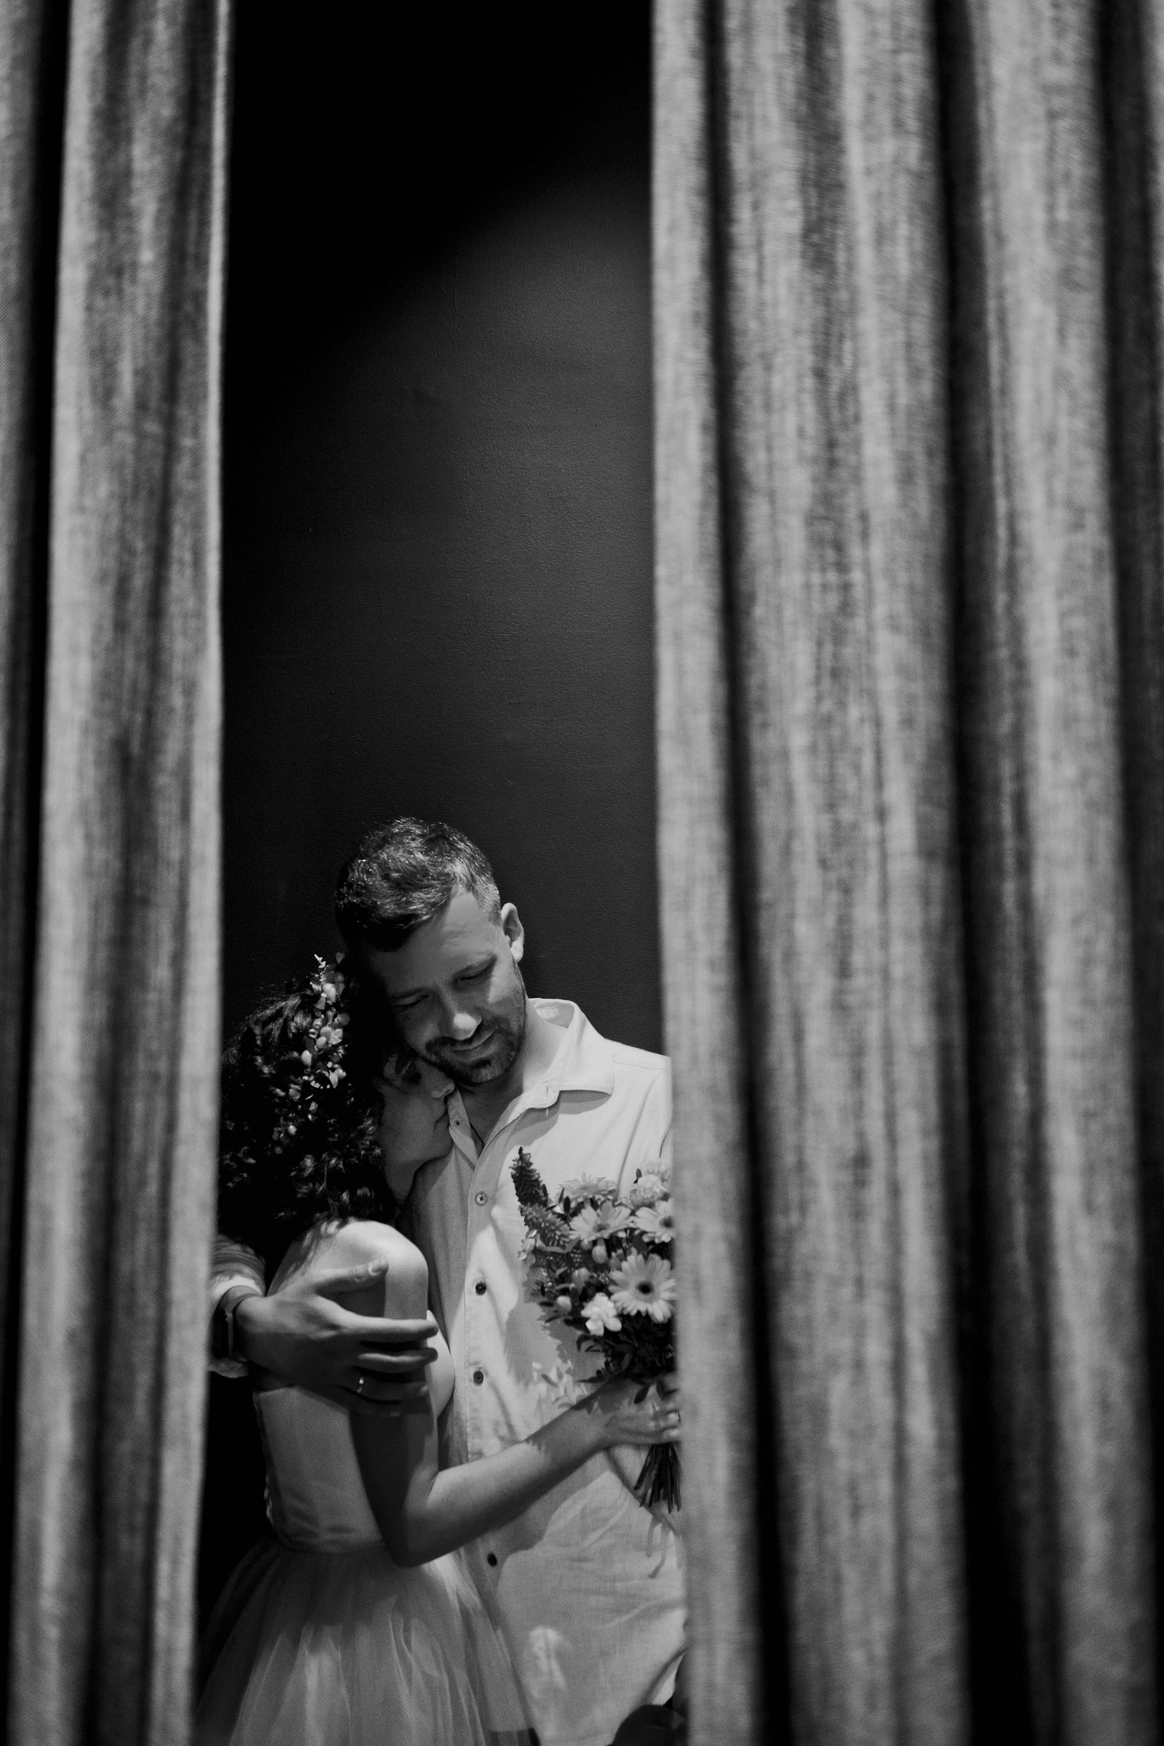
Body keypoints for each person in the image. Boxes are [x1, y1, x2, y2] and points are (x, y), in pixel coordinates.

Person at [209, 818, 686, 1746]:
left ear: (512, 931)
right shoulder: (392, 1126)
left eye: (471, 977)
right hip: (447, 1674)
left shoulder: (662, 1110)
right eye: (417, 1001)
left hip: (634, 1660)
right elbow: (221, 1234)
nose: (457, 1024)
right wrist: (247, 1320)